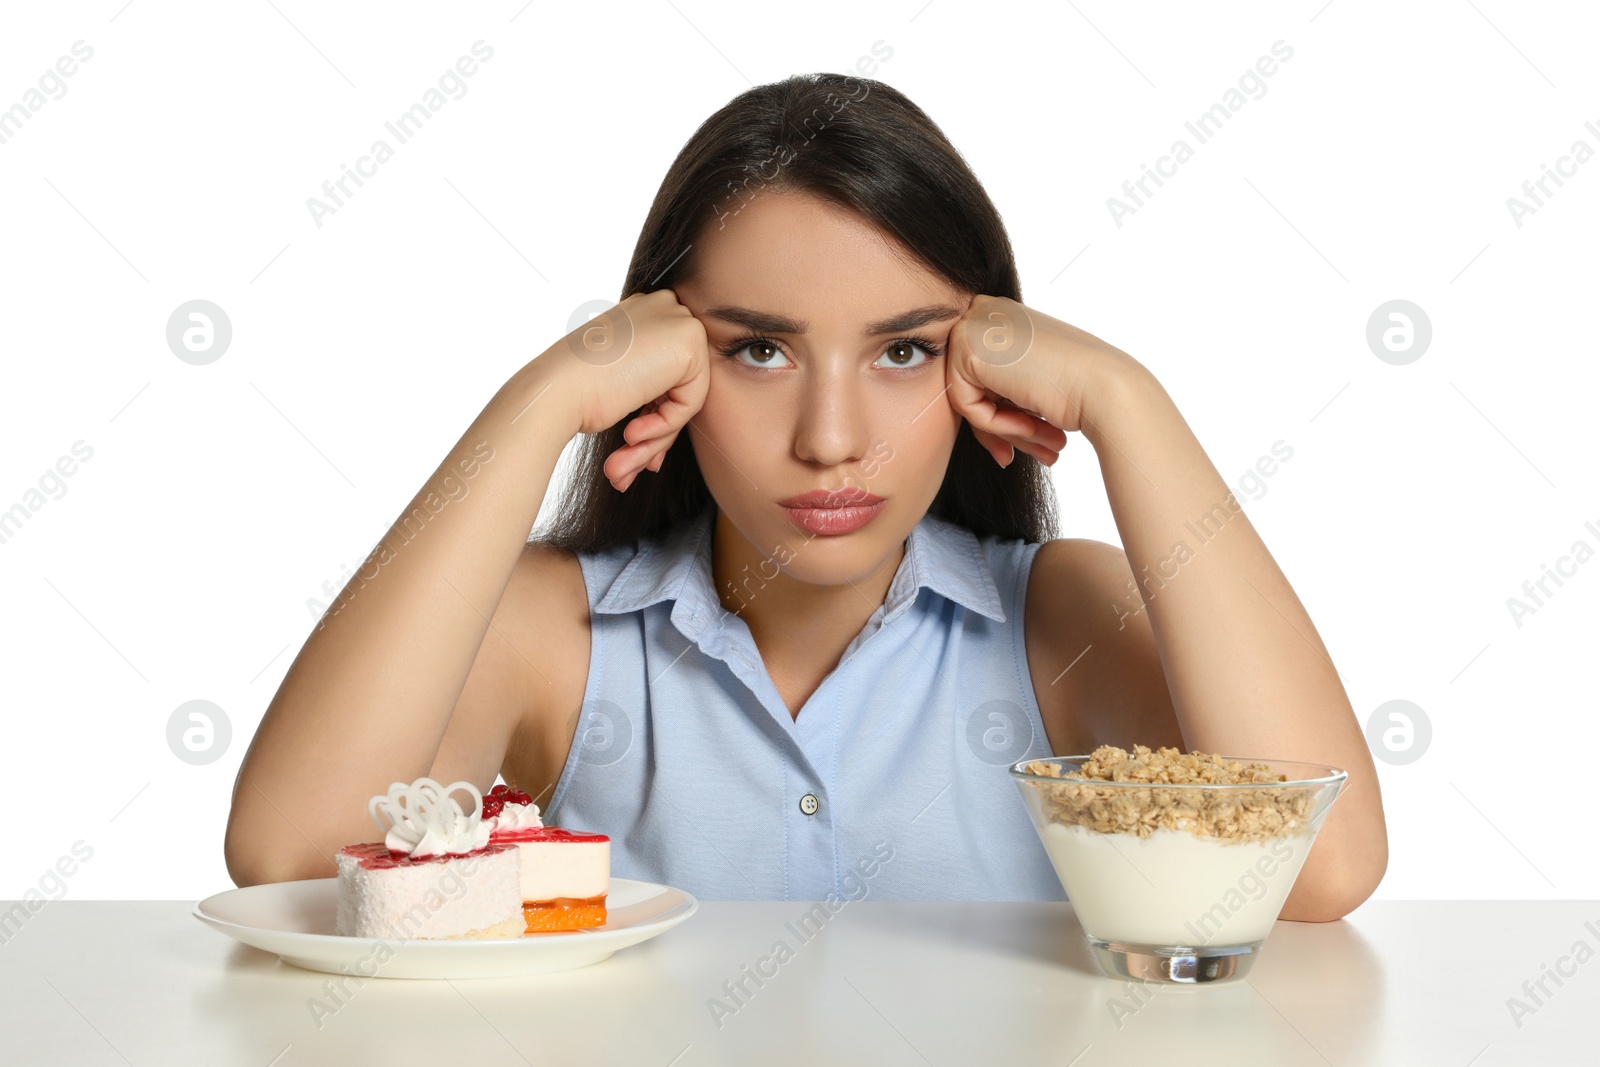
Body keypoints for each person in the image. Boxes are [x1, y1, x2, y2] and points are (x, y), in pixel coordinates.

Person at [225, 73, 1387, 915]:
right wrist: (542, 402)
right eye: (759, 351)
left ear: (984, 365)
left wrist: (1129, 403)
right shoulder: (561, 631)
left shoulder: (1060, 621)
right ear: (666, 362)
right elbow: (286, 857)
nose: (832, 442)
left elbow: (1320, 867)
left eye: (901, 353)